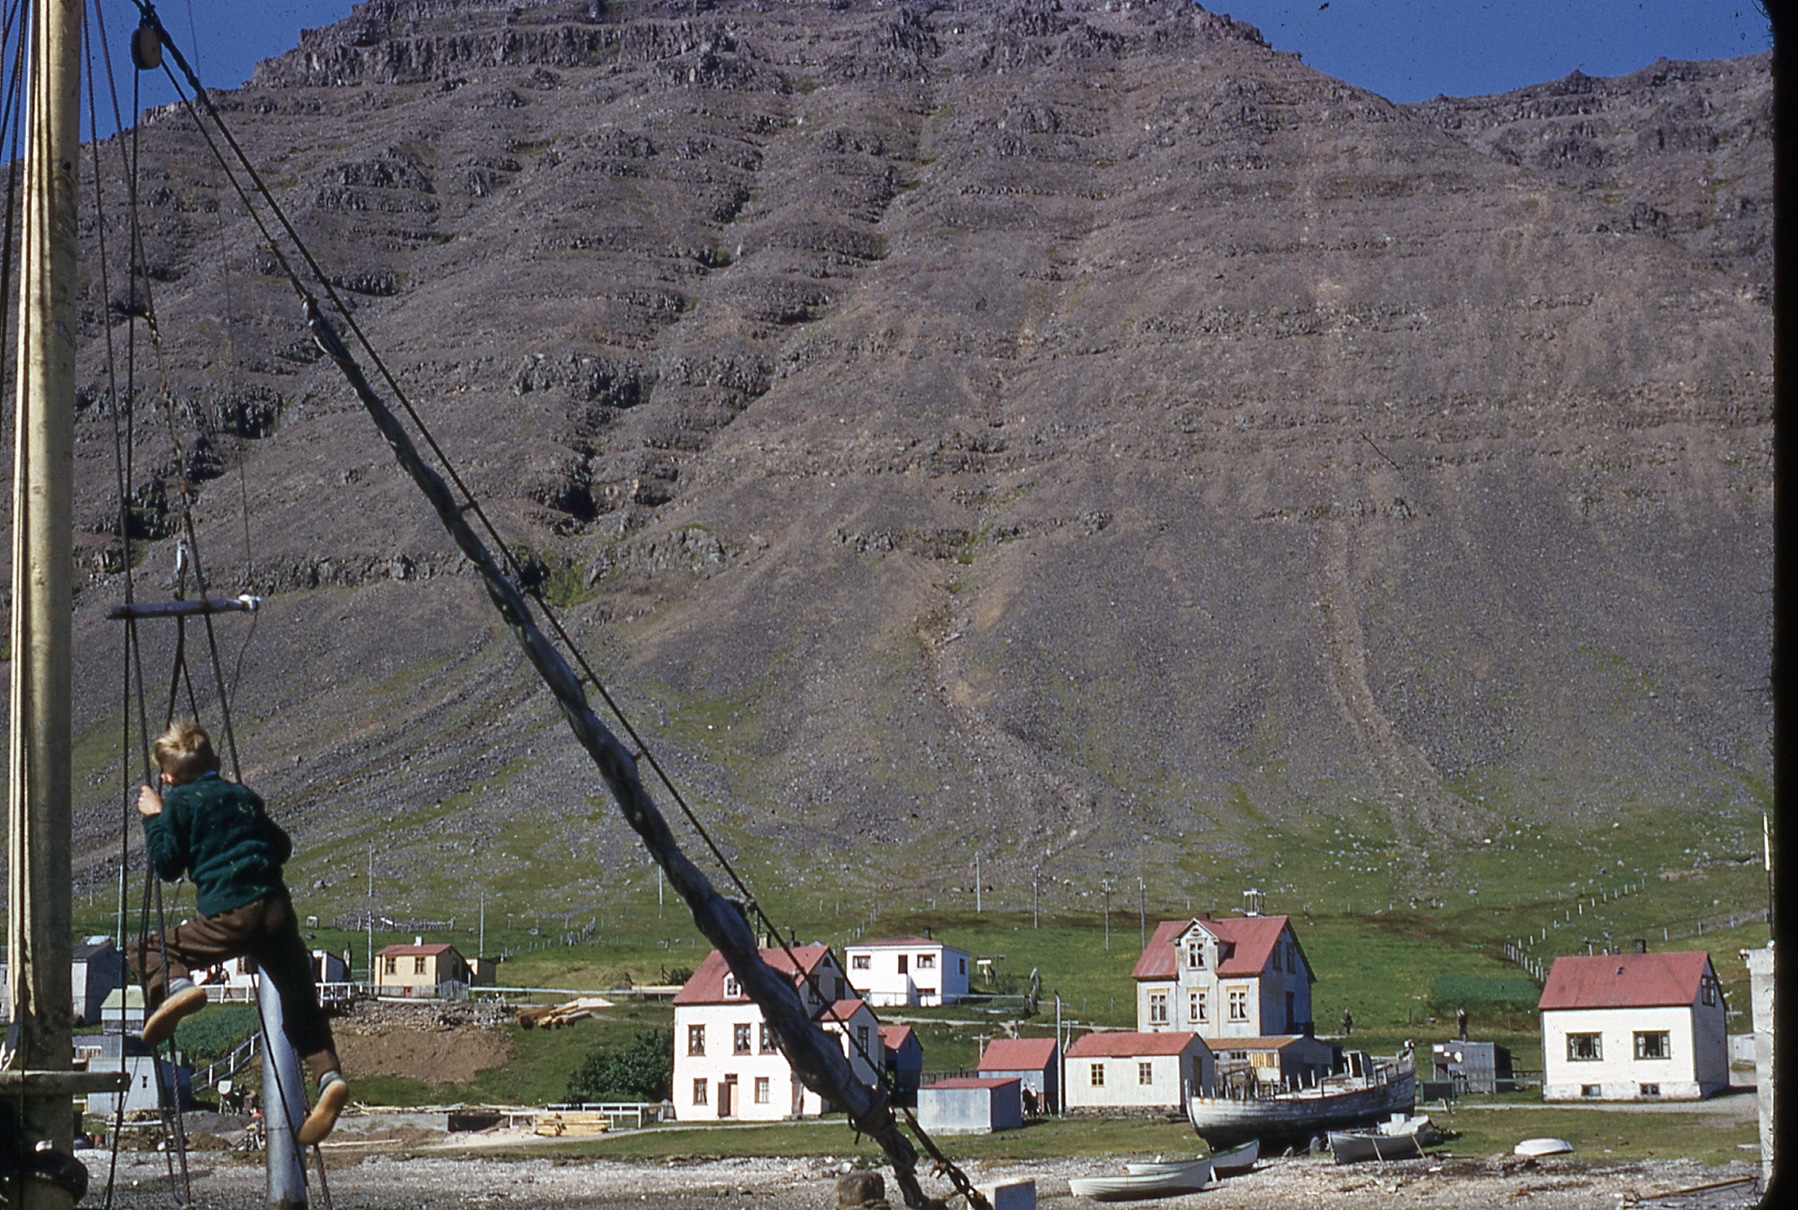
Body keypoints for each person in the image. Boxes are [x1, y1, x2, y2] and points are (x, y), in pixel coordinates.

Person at [127, 721, 350, 1145]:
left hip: (230, 914)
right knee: (300, 1004)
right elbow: (281, 847)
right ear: (216, 761)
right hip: (277, 913)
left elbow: (168, 866)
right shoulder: (245, 797)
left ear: (168, 778)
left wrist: (155, 817)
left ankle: (176, 987)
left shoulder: (177, 804)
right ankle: (329, 1077)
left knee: (145, 949)